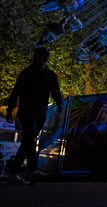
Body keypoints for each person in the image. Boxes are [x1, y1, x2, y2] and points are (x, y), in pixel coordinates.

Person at [5, 47, 63, 184]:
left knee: (28, 140)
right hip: (26, 110)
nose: (34, 59)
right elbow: (17, 90)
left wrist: (59, 102)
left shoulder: (49, 75)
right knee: (30, 138)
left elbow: (55, 90)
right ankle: (32, 170)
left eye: (37, 56)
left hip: (40, 111)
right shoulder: (27, 72)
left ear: (44, 58)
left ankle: (14, 173)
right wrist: (10, 108)